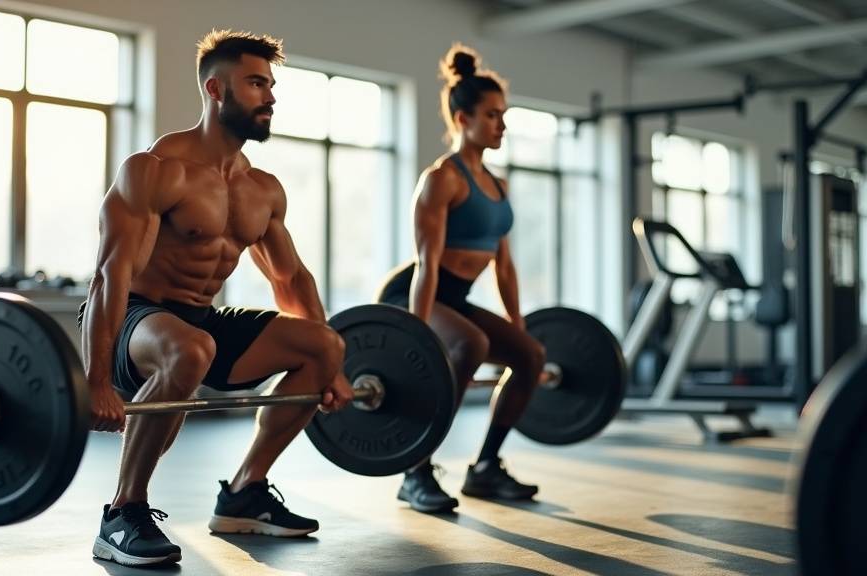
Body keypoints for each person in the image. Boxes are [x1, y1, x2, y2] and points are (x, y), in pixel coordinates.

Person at [79, 29, 354, 567]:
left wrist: (332, 369)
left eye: (271, 85)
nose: (270, 97)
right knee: (191, 348)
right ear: (215, 90)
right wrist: (96, 380)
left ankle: (245, 494)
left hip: (198, 322)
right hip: (131, 320)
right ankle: (121, 513)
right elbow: (110, 276)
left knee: (322, 345)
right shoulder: (156, 170)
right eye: (256, 84)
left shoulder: (263, 188)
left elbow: (291, 279)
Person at [377, 45, 546, 514]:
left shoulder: (497, 185)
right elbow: (427, 265)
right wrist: (416, 333)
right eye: (493, 116)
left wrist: (518, 325)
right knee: (467, 344)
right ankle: (415, 471)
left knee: (529, 355)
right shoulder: (441, 179)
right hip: (413, 293)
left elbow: (504, 266)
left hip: (457, 298)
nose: (502, 126)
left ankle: (486, 468)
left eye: (503, 115)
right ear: (461, 117)